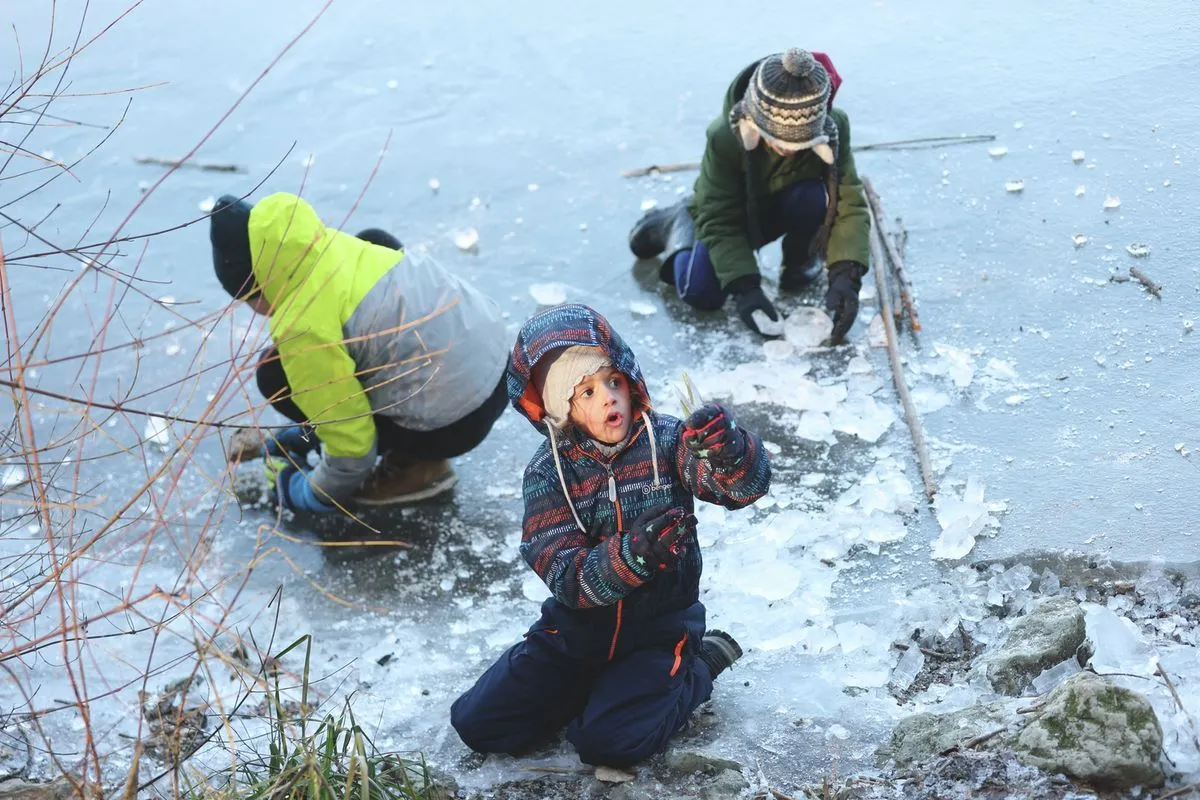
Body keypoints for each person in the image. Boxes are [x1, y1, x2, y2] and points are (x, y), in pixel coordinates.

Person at [450, 303, 771, 767]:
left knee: (610, 744)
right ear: (562, 408)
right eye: (586, 392)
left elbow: (741, 489)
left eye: (613, 381)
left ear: (630, 380)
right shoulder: (547, 473)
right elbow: (563, 573)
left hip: (657, 631)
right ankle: (588, 689)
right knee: (478, 724)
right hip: (573, 635)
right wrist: (632, 557)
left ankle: (699, 667)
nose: (608, 398)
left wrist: (730, 451)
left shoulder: (668, 443)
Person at [210, 191, 510, 512]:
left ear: (255, 285)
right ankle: (406, 444)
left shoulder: (302, 327)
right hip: (503, 370)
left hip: (456, 422)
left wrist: (306, 492)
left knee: (274, 373)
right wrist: (309, 433)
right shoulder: (349, 246)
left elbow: (352, 448)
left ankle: (417, 466)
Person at [627, 48, 871, 341]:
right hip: (733, 213)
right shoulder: (724, 137)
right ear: (754, 125)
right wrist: (745, 287)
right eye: (779, 141)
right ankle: (676, 221)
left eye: (802, 142)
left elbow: (848, 200)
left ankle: (800, 263)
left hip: (782, 205)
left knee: (811, 195)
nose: (790, 150)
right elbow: (719, 216)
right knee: (700, 293)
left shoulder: (834, 128)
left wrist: (847, 273)